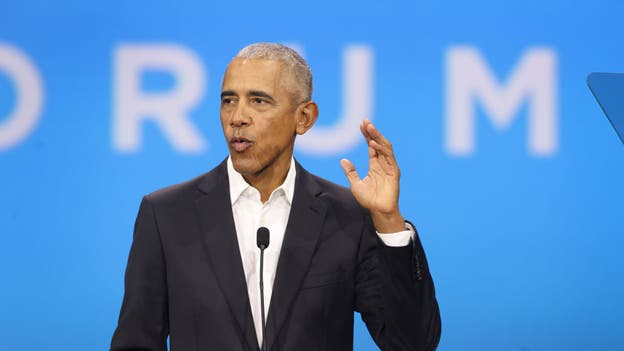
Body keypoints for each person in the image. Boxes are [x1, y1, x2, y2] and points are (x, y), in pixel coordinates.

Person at [110, 42, 441, 351]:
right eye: (228, 100)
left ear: (303, 118)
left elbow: (412, 342)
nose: (237, 117)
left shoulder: (347, 216)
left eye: (258, 100)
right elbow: (136, 341)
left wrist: (387, 221)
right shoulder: (167, 215)